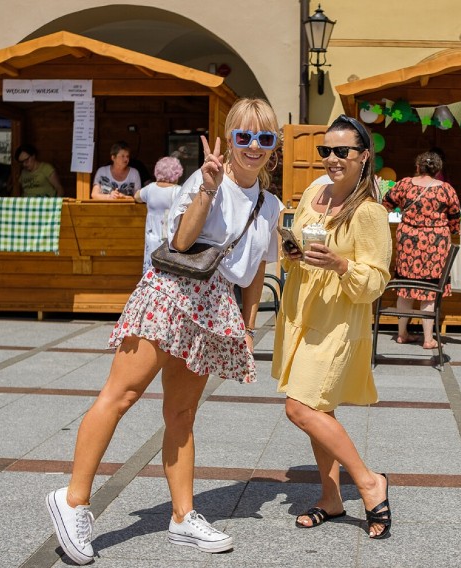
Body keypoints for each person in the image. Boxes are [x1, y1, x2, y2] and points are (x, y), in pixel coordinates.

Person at [45, 98, 283, 564]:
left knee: (182, 413)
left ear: (273, 147)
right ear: (229, 140)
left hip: (214, 307)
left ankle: (182, 515)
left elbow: (254, 272)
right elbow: (179, 242)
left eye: (264, 138)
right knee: (122, 394)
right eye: (243, 137)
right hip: (172, 292)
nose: (253, 147)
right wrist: (209, 189)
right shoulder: (203, 180)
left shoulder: (270, 204)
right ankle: (73, 500)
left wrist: (249, 328)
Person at [272, 114, 393, 539]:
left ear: (364, 156)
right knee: (318, 408)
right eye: (327, 150)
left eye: (343, 151)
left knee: (300, 406)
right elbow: (298, 245)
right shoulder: (314, 192)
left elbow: (377, 280)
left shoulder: (370, 212)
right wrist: (290, 250)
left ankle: (366, 480)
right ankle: (331, 498)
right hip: (302, 314)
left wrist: (342, 265)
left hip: (339, 320)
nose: (333, 159)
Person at [382, 151, 461, 349]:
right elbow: (455, 216)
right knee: (430, 289)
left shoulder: (404, 184)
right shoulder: (446, 189)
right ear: (437, 170)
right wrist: (450, 230)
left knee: (405, 286)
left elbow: (386, 204)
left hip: (408, 239)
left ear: (418, 167)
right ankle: (428, 339)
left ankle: (401, 334)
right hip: (436, 242)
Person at [134, 156, 182, 274]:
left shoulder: (150, 189)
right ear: (176, 173)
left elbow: (137, 196)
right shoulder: (178, 190)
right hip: (169, 239)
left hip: (151, 239)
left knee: (151, 271)